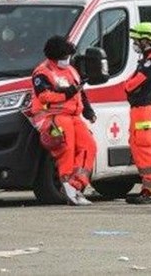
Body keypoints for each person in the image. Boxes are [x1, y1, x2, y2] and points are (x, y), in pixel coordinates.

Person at [28, 35, 97, 206]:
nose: (67, 59)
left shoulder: (71, 70)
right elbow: (43, 96)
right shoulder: (42, 72)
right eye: (64, 56)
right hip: (53, 115)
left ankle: (78, 185)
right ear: (55, 56)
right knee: (66, 149)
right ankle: (67, 186)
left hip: (74, 115)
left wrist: (88, 111)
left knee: (89, 146)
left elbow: (80, 91)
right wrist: (67, 93)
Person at [123, 22, 151, 204]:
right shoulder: (148, 58)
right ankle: (147, 189)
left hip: (143, 110)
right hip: (140, 109)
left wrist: (127, 86)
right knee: (137, 146)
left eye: (136, 40)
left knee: (144, 148)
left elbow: (132, 84)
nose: (135, 44)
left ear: (145, 40)